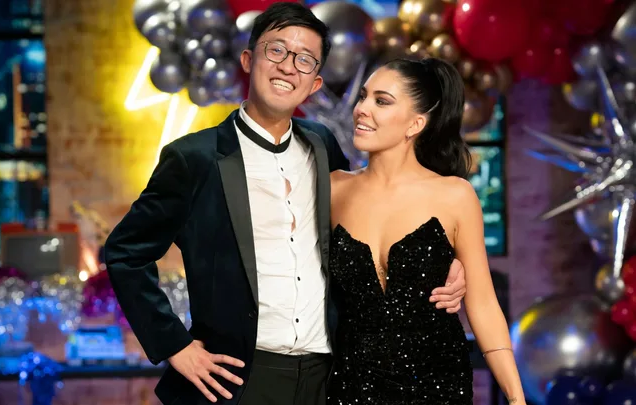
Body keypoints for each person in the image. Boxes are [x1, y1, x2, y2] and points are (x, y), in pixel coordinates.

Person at [104, 3, 467, 405]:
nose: (288, 66)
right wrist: (174, 345)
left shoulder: (324, 145)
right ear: (248, 59)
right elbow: (125, 253)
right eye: (276, 50)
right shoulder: (194, 159)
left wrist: (447, 263)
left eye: (305, 60)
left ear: (314, 83)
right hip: (238, 379)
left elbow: (371, 222)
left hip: (330, 378)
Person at [327, 57, 525, 405]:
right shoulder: (331, 189)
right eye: (363, 97)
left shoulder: (454, 195)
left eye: (381, 101)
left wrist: (516, 397)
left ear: (415, 123)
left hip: (438, 382)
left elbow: (482, 303)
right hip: (351, 383)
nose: (361, 109)